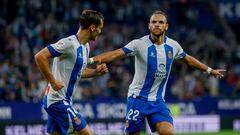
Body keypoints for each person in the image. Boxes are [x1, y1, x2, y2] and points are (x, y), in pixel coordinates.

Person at [89, 10, 225, 135]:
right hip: (137, 99)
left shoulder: (173, 45)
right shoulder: (139, 44)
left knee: (169, 132)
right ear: (149, 26)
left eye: (161, 22)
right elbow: (116, 54)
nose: (157, 25)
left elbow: (188, 59)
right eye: (154, 22)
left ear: (166, 26)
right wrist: (90, 60)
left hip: (158, 101)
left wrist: (209, 70)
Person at [35, 10, 108, 135]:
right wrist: (52, 81)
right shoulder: (68, 43)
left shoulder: (86, 47)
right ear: (92, 27)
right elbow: (40, 56)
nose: (100, 32)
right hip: (57, 101)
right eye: (100, 28)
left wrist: (95, 72)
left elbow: (79, 72)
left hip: (63, 100)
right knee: (86, 133)